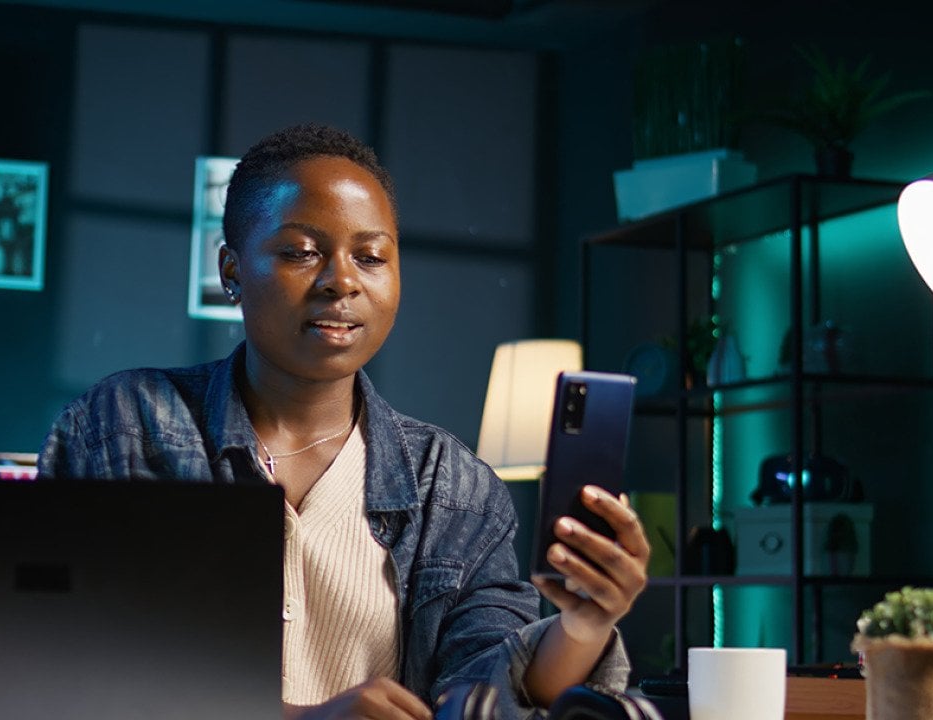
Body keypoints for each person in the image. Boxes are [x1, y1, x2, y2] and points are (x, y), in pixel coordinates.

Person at [39, 123, 649, 720]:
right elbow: (59, 656)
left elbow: (484, 691)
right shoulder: (127, 425)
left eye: (371, 256)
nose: (343, 281)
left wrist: (583, 623)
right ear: (232, 270)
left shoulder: (453, 486)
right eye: (301, 252)